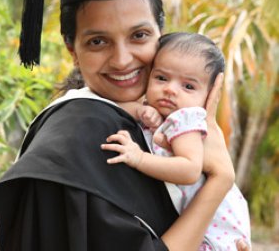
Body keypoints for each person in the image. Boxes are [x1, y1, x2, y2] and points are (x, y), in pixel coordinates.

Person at [0, 0, 250, 251]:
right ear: (73, 50)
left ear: (161, 33)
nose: (122, 59)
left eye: (139, 35)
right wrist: (220, 179)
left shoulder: (154, 124)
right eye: (98, 41)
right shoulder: (73, 142)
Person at [101, 32, 251, 250]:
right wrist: (142, 110)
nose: (170, 89)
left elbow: (189, 169)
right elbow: (114, 108)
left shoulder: (187, 119)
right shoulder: (161, 114)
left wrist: (139, 158)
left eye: (188, 86)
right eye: (161, 78)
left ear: (209, 96)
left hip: (215, 234)